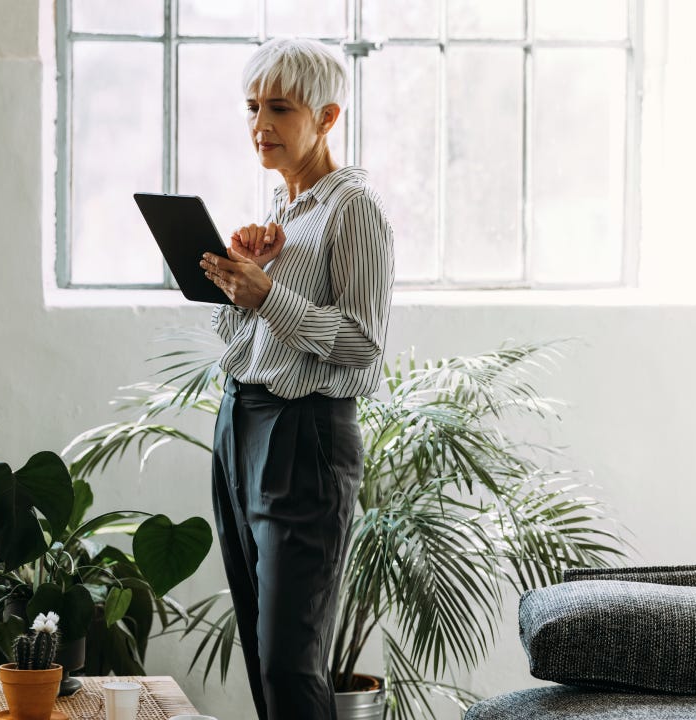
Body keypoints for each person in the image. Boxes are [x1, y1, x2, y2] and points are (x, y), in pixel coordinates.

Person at [196, 36, 395, 720]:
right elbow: (246, 339)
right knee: (260, 648)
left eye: (280, 108)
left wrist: (267, 296)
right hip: (241, 426)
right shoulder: (283, 215)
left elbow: (364, 344)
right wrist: (238, 280)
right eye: (253, 107)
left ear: (327, 118)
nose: (260, 125)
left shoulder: (353, 210)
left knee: (289, 658)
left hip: (303, 437)